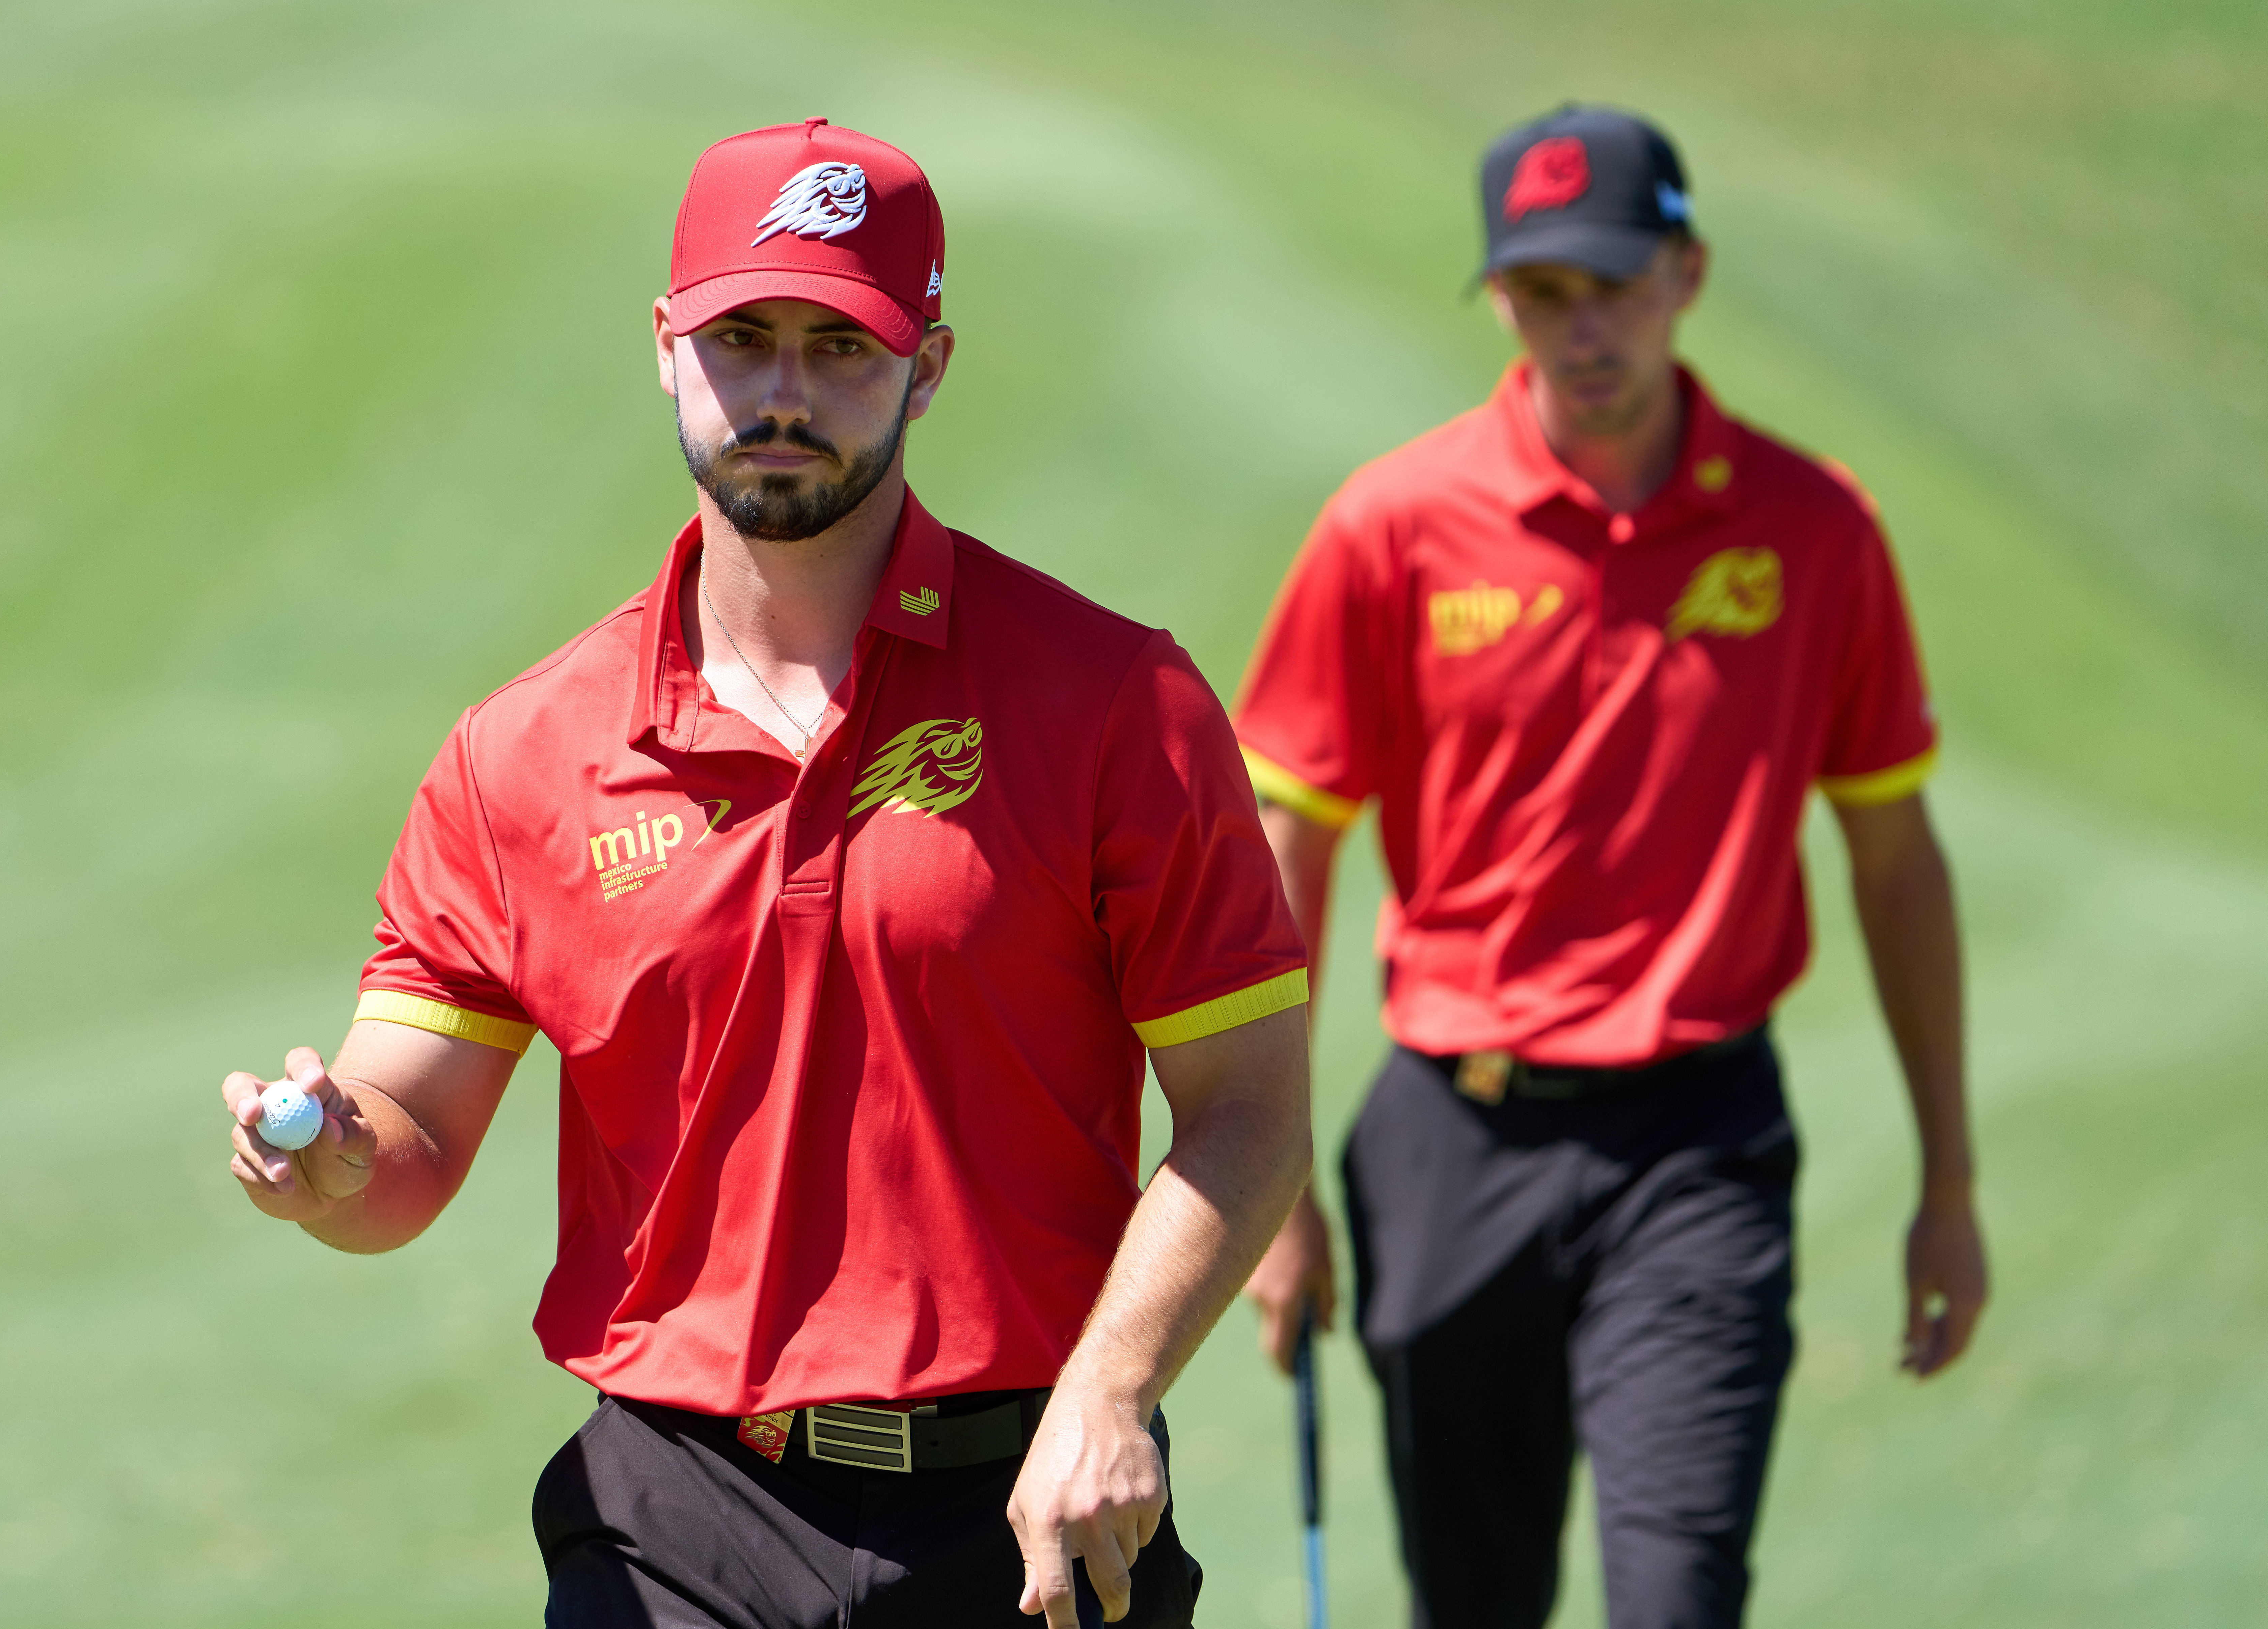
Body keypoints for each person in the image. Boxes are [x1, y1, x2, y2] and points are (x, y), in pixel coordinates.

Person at [219, 118, 1313, 1629]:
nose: (784, 391)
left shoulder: (1115, 700)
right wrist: (333, 1165)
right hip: (670, 1515)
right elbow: (401, 1143)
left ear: (927, 366)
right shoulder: (522, 752)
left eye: (840, 346)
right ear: (667, 345)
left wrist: (1113, 1388)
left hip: (1032, 1508)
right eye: (742, 339)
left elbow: (1250, 1110)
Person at [1233, 105, 1988, 1629]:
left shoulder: (1813, 529)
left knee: (1676, 1597)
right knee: (1476, 1602)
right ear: (1501, 302)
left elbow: (1895, 861)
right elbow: (1286, 852)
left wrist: (1948, 1181)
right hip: (1452, 1140)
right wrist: (1270, 1179)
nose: (1582, 331)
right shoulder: (1392, 525)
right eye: (1542, 294)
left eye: (1615, 286)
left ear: (1686, 273)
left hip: (1697, 1141)